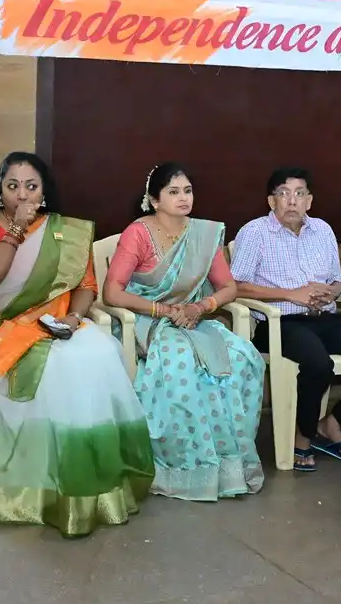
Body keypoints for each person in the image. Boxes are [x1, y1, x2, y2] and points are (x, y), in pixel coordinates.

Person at [0, 152, 154, 537]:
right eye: (12, 185)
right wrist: (15, 230)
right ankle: (39, 488)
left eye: (32, 186)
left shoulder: (64, 231)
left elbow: (86, 286)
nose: (22, 194)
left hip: (57, 323)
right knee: (62, 368)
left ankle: (95, 486)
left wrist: (73, 319)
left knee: (100, 353)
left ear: (44, 191)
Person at [102, 162, 264, 501]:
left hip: (193, 319)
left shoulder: (203, 235)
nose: (183, 198)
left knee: (243, 357)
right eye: (173, 192)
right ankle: (186, 466)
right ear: (154, 200)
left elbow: (228, 287)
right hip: (146, 321)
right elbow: (113, 293)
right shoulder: (139, 233)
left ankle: (227, 465)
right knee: (181, 363)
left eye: (187, 191)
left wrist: (199, 308)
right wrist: (164, 310)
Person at [231, 167, 341, 472]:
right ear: (271, 201)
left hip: (324, 318)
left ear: (309, 201)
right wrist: (291, 294)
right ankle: (302, 436)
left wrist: (331, 291)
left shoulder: (322, 230)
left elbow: (338, 282)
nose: (292, 201)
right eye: (283, 194)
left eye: (299, 194)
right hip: (278, 324)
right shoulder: (254, 232)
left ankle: (336, 421)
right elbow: (236, 286)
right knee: (318, 363)